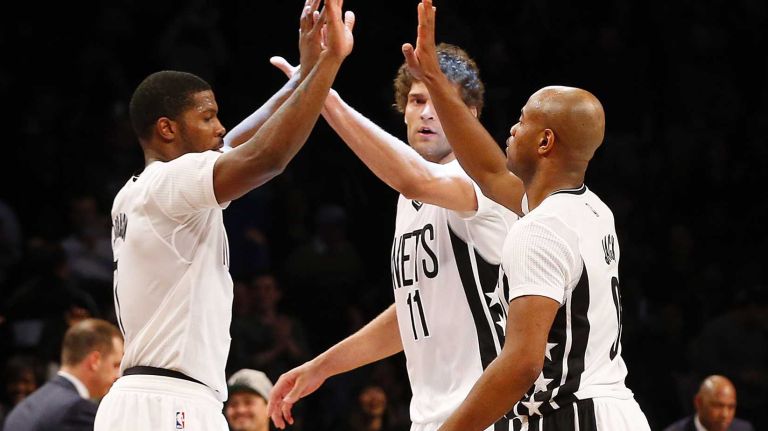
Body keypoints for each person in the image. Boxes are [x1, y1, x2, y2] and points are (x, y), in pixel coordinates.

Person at [93, 0, 355, 429]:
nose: (219, 127)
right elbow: (266, 157)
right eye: (208, 116)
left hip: (143, 398)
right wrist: (329, 64)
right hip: (171, 402)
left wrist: (304, 77)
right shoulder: (172, 183)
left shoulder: (137, 191)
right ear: (167, 129)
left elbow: (236, 145)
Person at [400, 1, 651, 429]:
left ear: (545, 141)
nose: (511, 130)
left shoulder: (540, 229)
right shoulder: (591, 210)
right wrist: (436, 83)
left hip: (574, 415)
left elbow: (521, 364)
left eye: (522, 121)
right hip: (613, 407)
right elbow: (489, 171)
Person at [268, 33, 523, 431]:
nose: (427, 114)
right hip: (432, 417)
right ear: (403, 109)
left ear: (469, 115)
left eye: (442, 103)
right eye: (418, 101)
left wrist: (323, 92)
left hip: (494, 415)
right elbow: (412, 310)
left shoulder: (484, 180)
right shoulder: (410, 202)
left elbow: (413, 179)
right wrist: (322, 367)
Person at [3, 318, 123, 431]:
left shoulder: (23, 407)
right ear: (94, 361)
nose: (118, 375)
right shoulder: (76, 411)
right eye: (115, 365)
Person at [663, 375, 754, 431]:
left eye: (731, 407)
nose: (725, 415)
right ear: (698, 403)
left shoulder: (744, 429)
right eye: (718, 406)